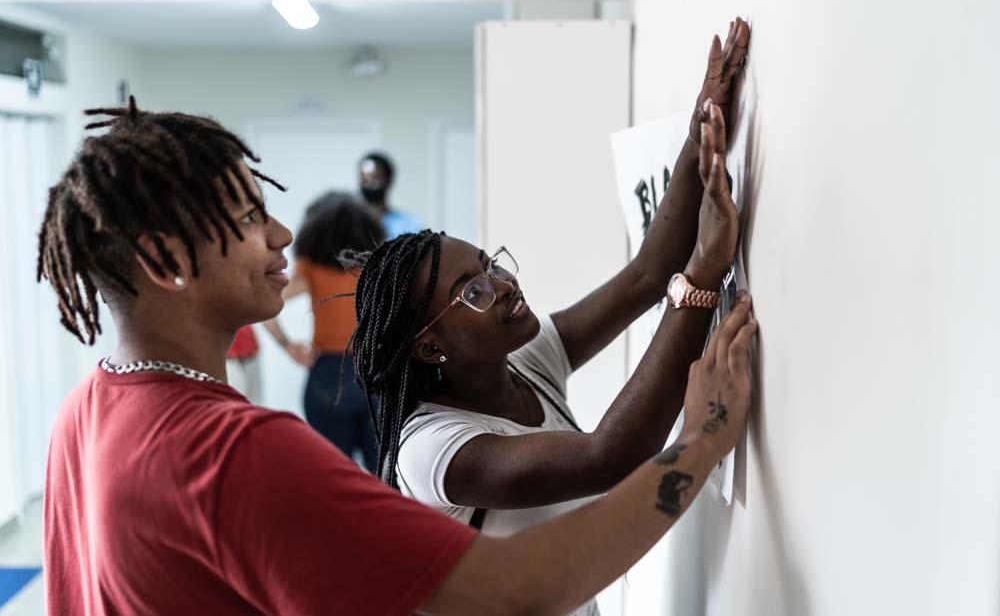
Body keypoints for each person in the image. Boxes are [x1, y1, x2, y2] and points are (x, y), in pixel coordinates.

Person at [38, 95, 755, 616]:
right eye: (251, 217)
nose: (283, 233)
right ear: (166, 259)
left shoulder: (85, 413)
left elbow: (637, 279)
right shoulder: (236, 452)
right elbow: (516, 588)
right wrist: (703, 438)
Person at [348, 18, 750, 616]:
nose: (505, 285)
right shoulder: (432, 449)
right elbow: (608, 457)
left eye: (492, 265)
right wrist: (700, 276)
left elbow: (644, 275)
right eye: (474, 292)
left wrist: (701, 132)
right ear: (432, 348)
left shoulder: (521, 359)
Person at [263, 191, 384, 470]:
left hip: (328, 377)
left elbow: (269, 305)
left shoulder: (311, 268)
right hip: (374, 374)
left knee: (335, 475)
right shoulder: (377, 268)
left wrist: (287, 345)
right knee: (384, 476)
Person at [358, 151, 422, 239]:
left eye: (375, 178)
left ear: (389, 181)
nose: (369, 184)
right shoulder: (351, 224)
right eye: (364, 179)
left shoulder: (409, 224)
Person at [225, 325, 263, 404]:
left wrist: (286, 344)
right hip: (227, 358)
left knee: (257, 404)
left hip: (251, 352)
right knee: (234, 404)